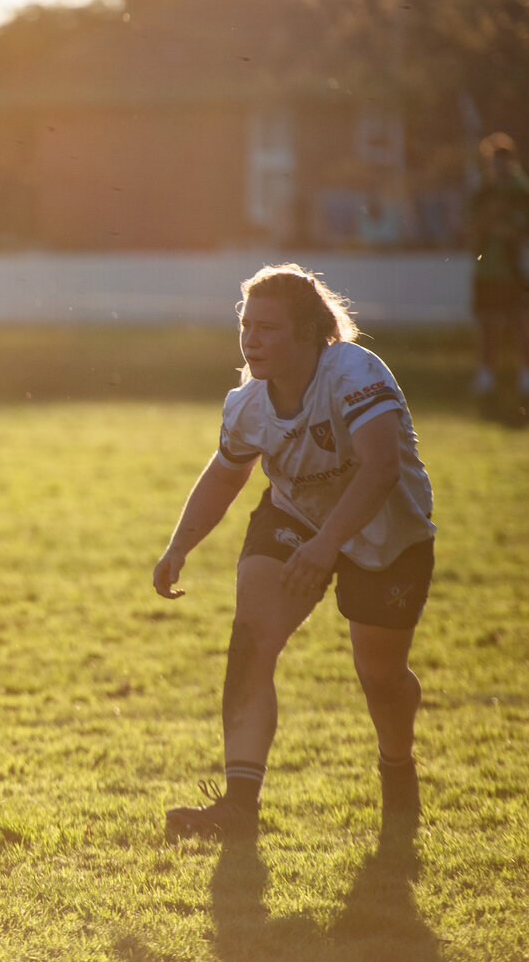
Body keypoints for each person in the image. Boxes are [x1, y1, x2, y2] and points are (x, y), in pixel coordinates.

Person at [151, 264, 436, 842]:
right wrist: (178, 546)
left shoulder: (355, 374)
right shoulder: (247, 403)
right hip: (294, 517)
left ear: (308, 333)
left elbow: (381, 468)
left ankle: (397, 768)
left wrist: (327, 545)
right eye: (246, 326)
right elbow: (225, 477)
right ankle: (239, 807)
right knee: (251, 639)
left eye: (268, 328)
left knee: (379, 674)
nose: (251, 340)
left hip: (387, 533)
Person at [468, 133, 529, 404]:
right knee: (486, 324)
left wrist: (510, 232)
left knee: (521, 323)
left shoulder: (523, 192)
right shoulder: (484, 190)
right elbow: (470, 225)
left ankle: (527, 377)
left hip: (515, 271)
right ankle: (486, 375)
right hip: (486, 269)